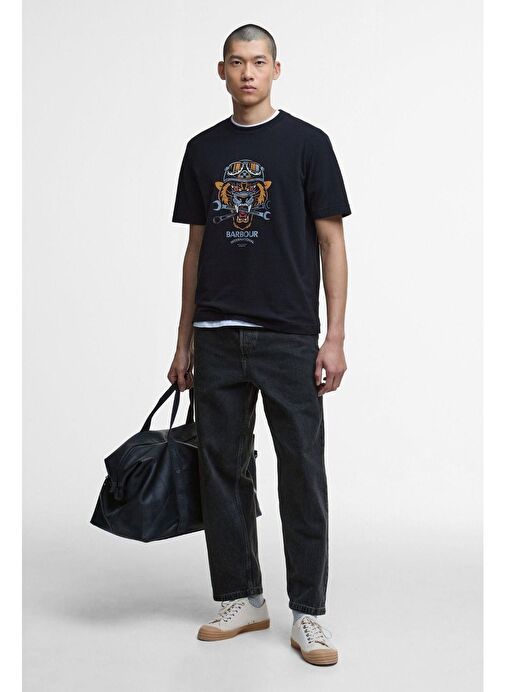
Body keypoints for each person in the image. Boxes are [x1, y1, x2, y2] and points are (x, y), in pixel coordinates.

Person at [167, 23, 351, 666]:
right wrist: (184, 339)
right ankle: (241, 597)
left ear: (276, 69)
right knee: (221, 471)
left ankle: (309, 613)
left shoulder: (308, 144)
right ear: (221, 70)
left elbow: (332, 241)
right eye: (237, 62)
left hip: (288, 335)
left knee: (301, 472)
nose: (248, 72)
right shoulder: (202, 149)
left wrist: (334, 336)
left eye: (259, 61)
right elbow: (195, 249)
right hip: (216, 335)